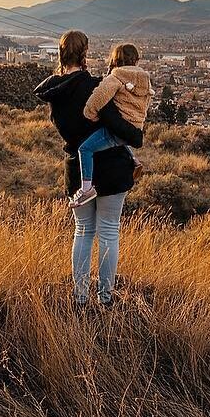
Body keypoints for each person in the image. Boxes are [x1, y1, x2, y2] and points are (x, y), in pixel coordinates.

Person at [33, 30, 143, 306]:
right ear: (84, 54)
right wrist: (136, 138)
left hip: (77, 169)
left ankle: (80, 298)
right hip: (113, 168)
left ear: (60, 53)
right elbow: (114, 123)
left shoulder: (54, 93)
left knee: (82, 232)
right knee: (108, 232)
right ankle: (105, 298)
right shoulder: (93, 87)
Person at [71, 42, 151, 207]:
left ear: (115, 59)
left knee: (85, 149)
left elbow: (98, 96)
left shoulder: (116, 76)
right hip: (134, 127)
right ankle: (134, 160)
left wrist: (90, 114)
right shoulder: (145, 80)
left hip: (116, 131)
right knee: (117, 139)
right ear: (136, 60)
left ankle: (86, 189)